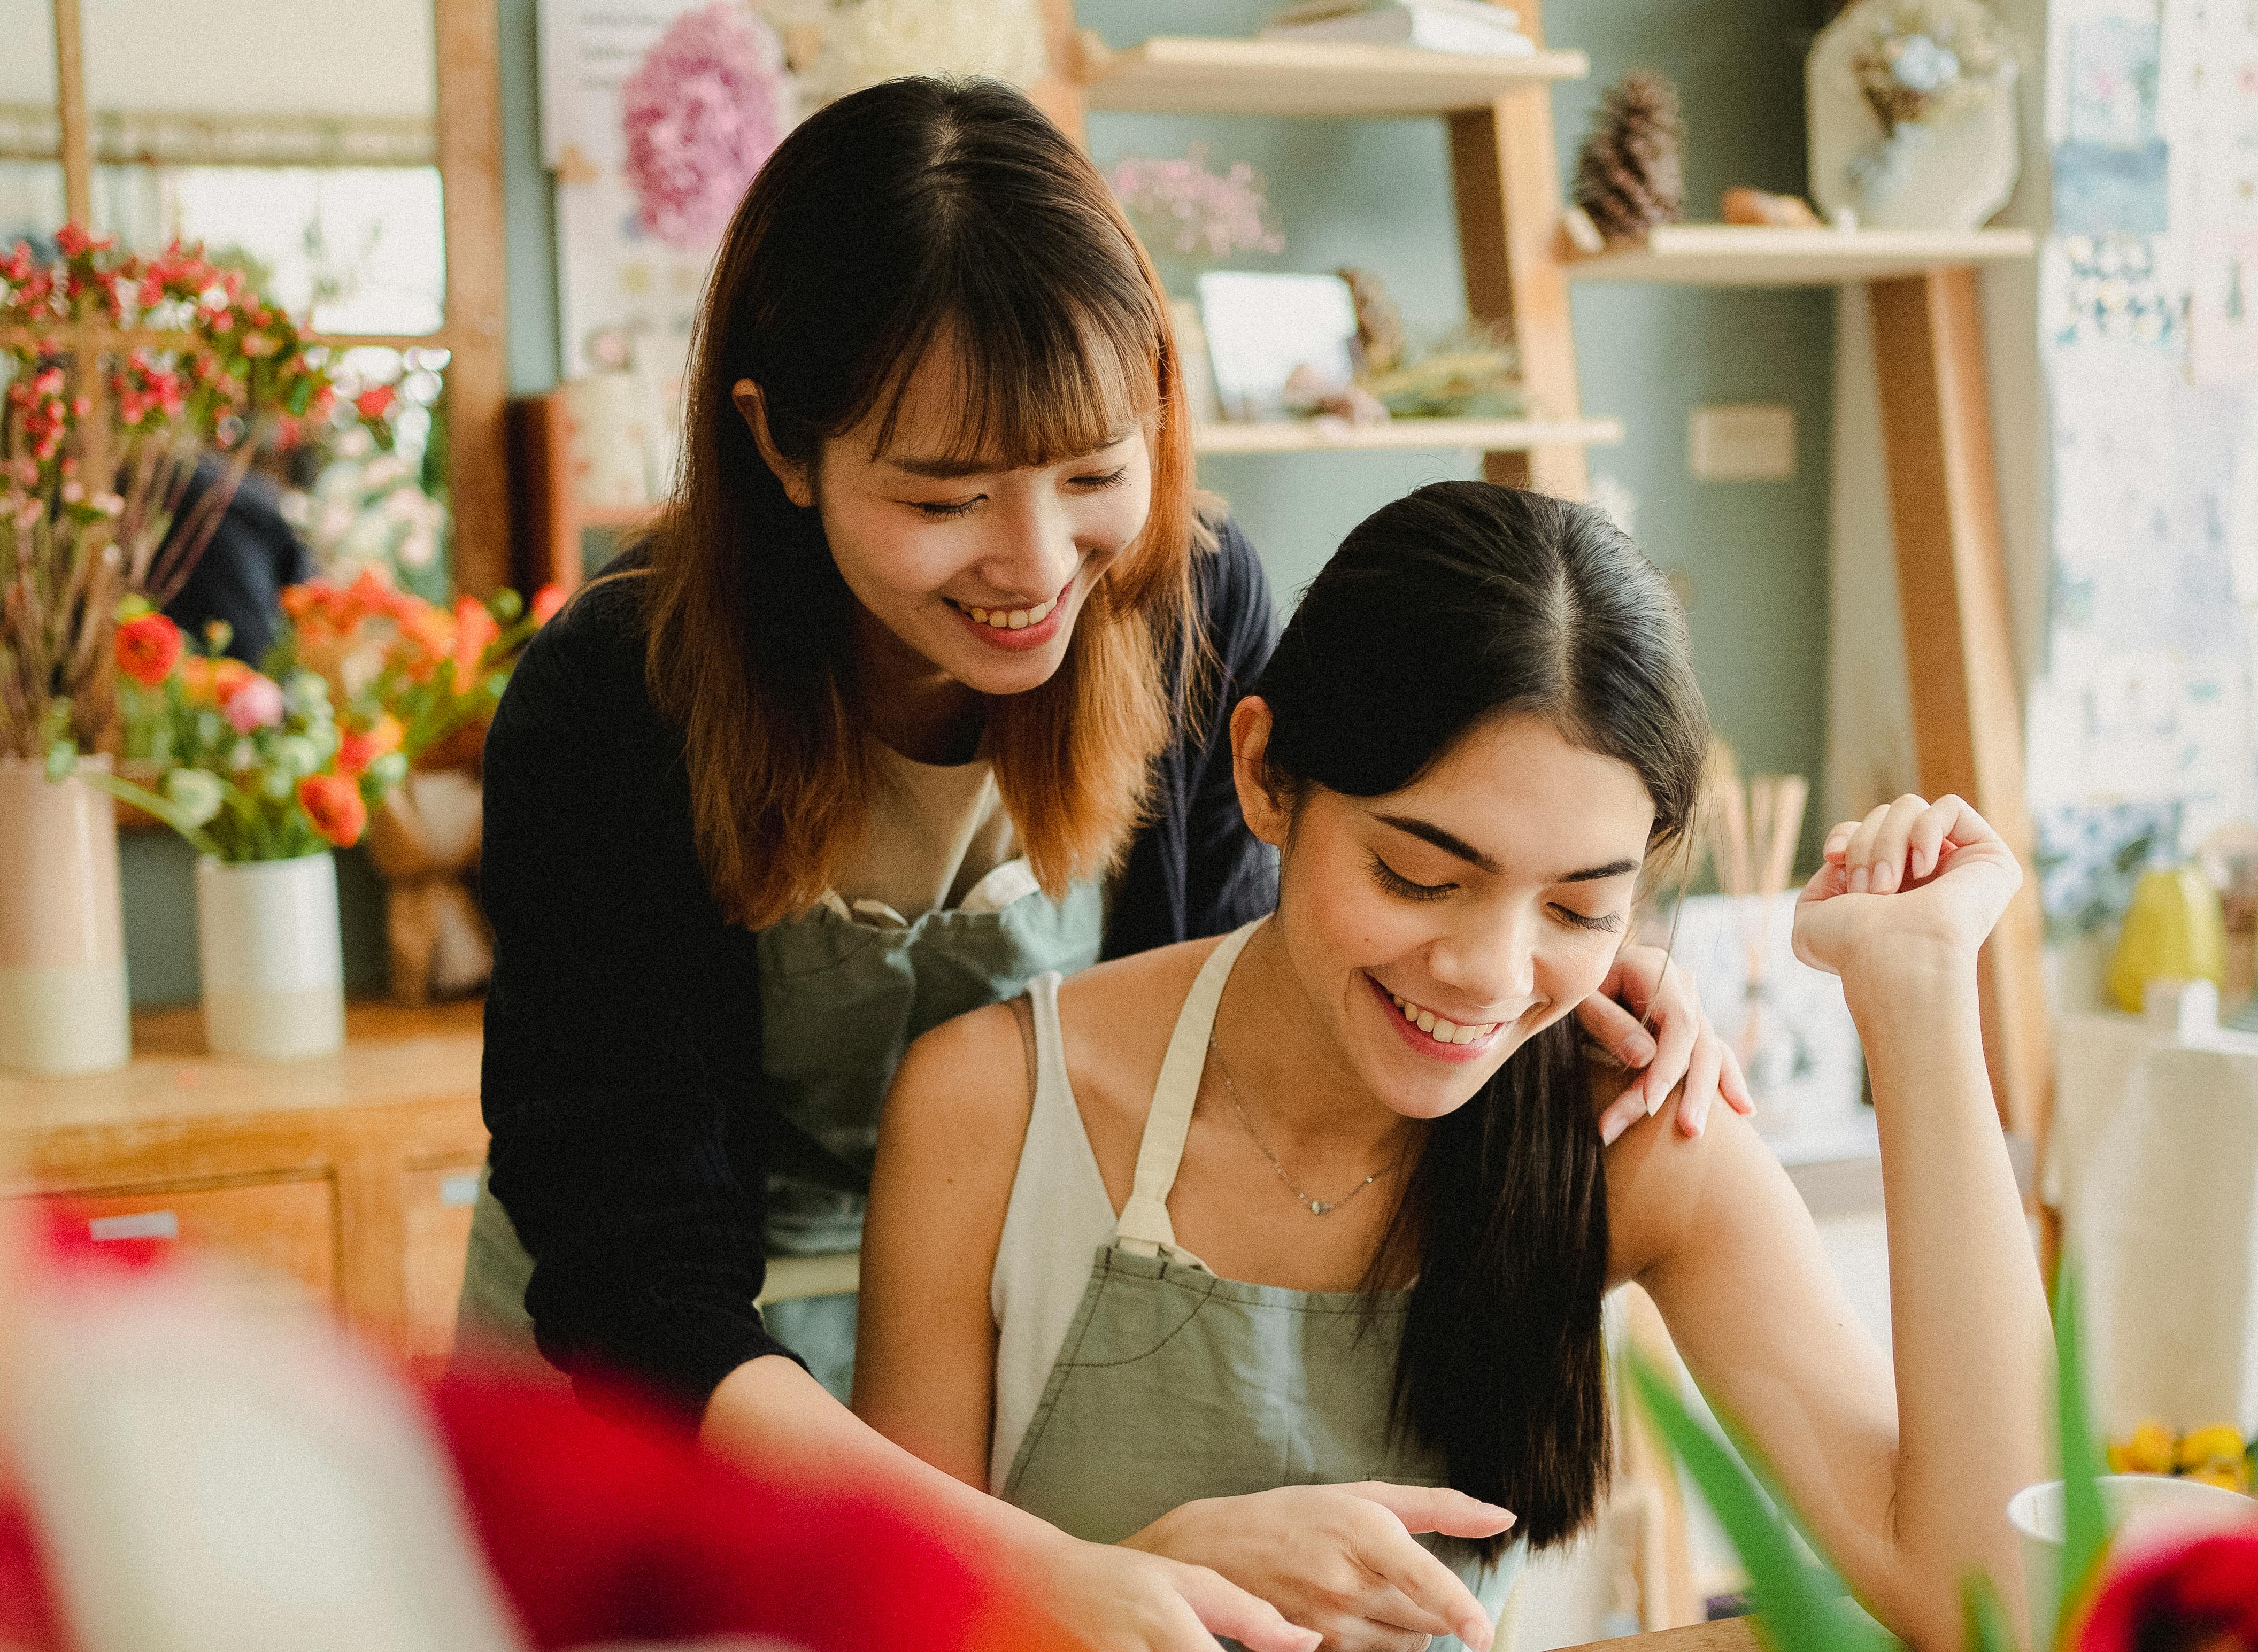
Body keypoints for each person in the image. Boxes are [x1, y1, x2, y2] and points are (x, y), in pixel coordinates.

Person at [468, 79, 1736, 1651]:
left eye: (1091, 472)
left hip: (998, 1339)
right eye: (942, 497)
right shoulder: (614, 700)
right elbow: (635, 1279)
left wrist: (1555, 947)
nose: (1034, 563)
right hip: (675, 1388)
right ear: (781, 444)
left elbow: (1260, 997)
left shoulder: (1195, 612)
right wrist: (1017, 1563)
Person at [857, 482, 2053, 1652]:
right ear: (1267, 775)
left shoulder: (1632, 1132)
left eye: (1579, 910)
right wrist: (1128, 1585)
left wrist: (1923, 991)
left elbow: (1994, 1603)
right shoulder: (998, 1104)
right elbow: (872, 1621)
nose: (1489, 974)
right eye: (1421, 877)